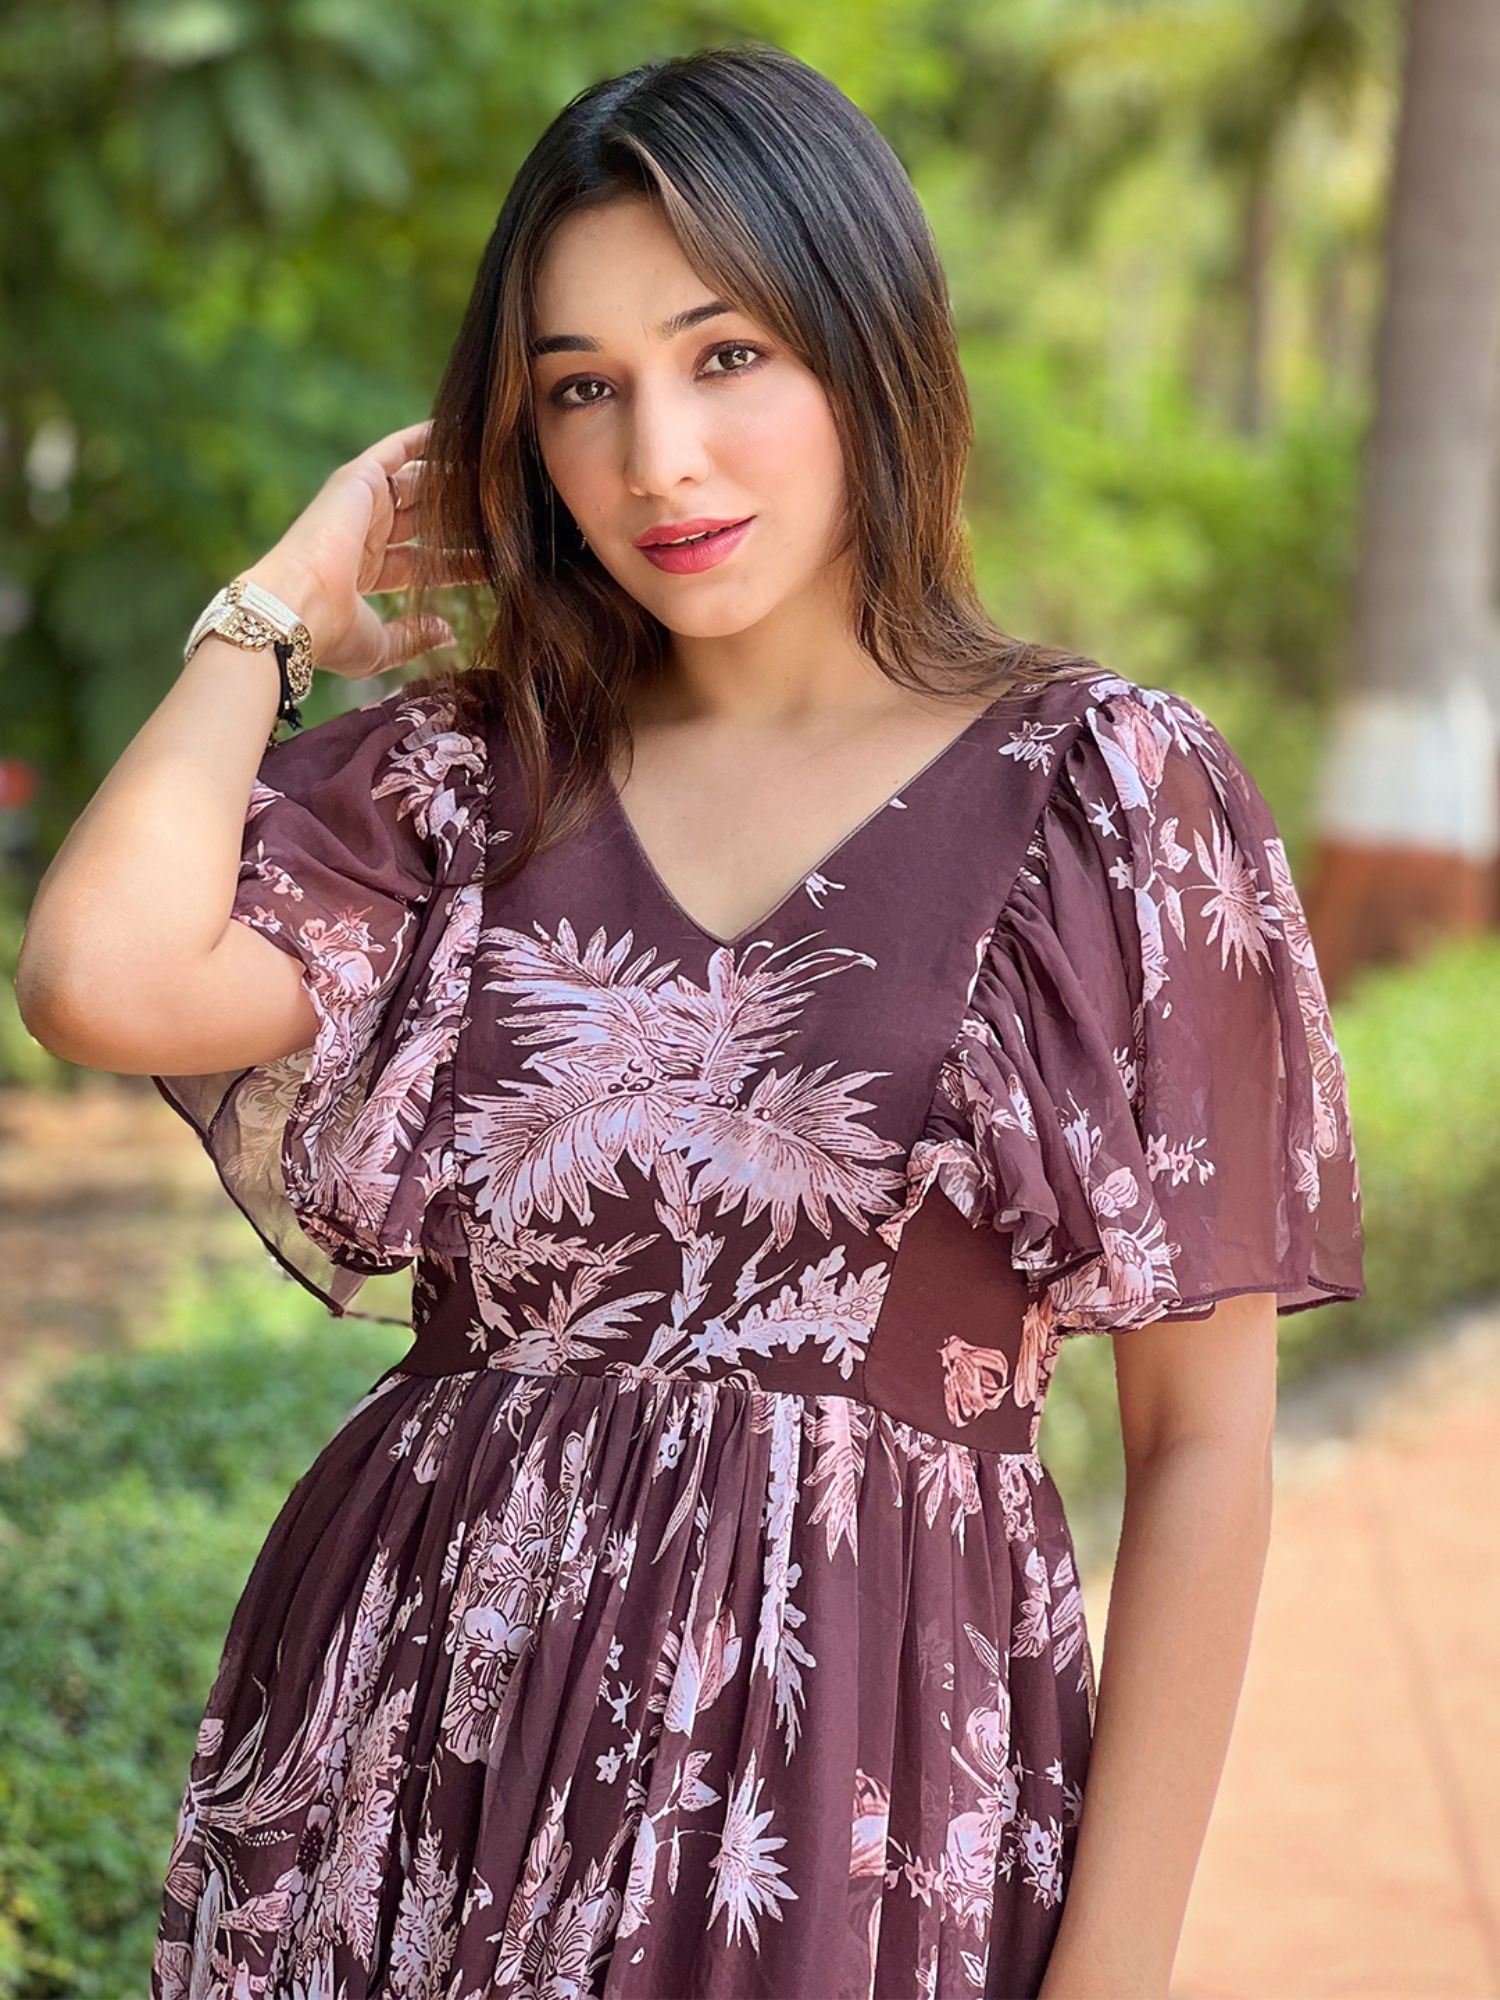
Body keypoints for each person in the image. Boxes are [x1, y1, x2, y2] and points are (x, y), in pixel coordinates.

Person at [18, 42, 1365, 2000]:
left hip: (844, 1790)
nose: (657, 458)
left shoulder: (1098, 792)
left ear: (870, 349)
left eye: (726, 355)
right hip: (421, 1754)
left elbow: (1206, 1440)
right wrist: (279, 606)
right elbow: (96, 977)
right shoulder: (478, 779)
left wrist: (1115, 1974)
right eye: (581, 387)